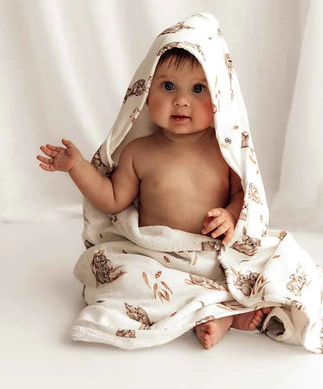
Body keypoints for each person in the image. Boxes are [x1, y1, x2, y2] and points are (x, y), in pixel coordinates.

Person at [37, 47, 271, 349]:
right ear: (146, 95)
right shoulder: (138, 152)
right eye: (168, 86)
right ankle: (215, 309)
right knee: (120, 272)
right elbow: (112, 199)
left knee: (262, 266)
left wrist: (229, 215)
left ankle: (222, 311)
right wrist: (77, 166)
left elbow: (243, 196)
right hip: (154, 255)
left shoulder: (224, 151)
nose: (181, 100)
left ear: (219, 98)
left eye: (198, 89)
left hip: (209, 254)